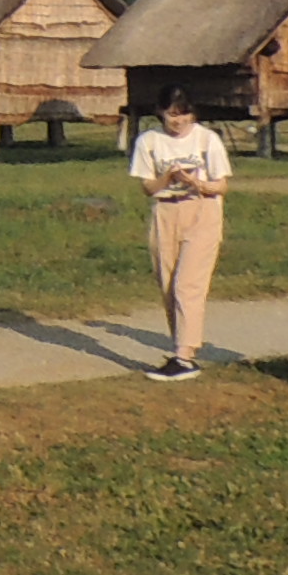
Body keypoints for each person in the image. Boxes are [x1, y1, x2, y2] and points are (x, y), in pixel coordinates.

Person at [124, 95, 230, 381]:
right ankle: (181, 346)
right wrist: (169, 179)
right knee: (169, 283)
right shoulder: (149, 141)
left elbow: (221, 185)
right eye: (172, 114)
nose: (178, 121)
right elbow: (148, 187)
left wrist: (195, 182)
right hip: (166, 212)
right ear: (161, 112)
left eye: (184, 114)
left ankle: (185, 358)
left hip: (202, 211)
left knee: (188, 284)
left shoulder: (207, 140)